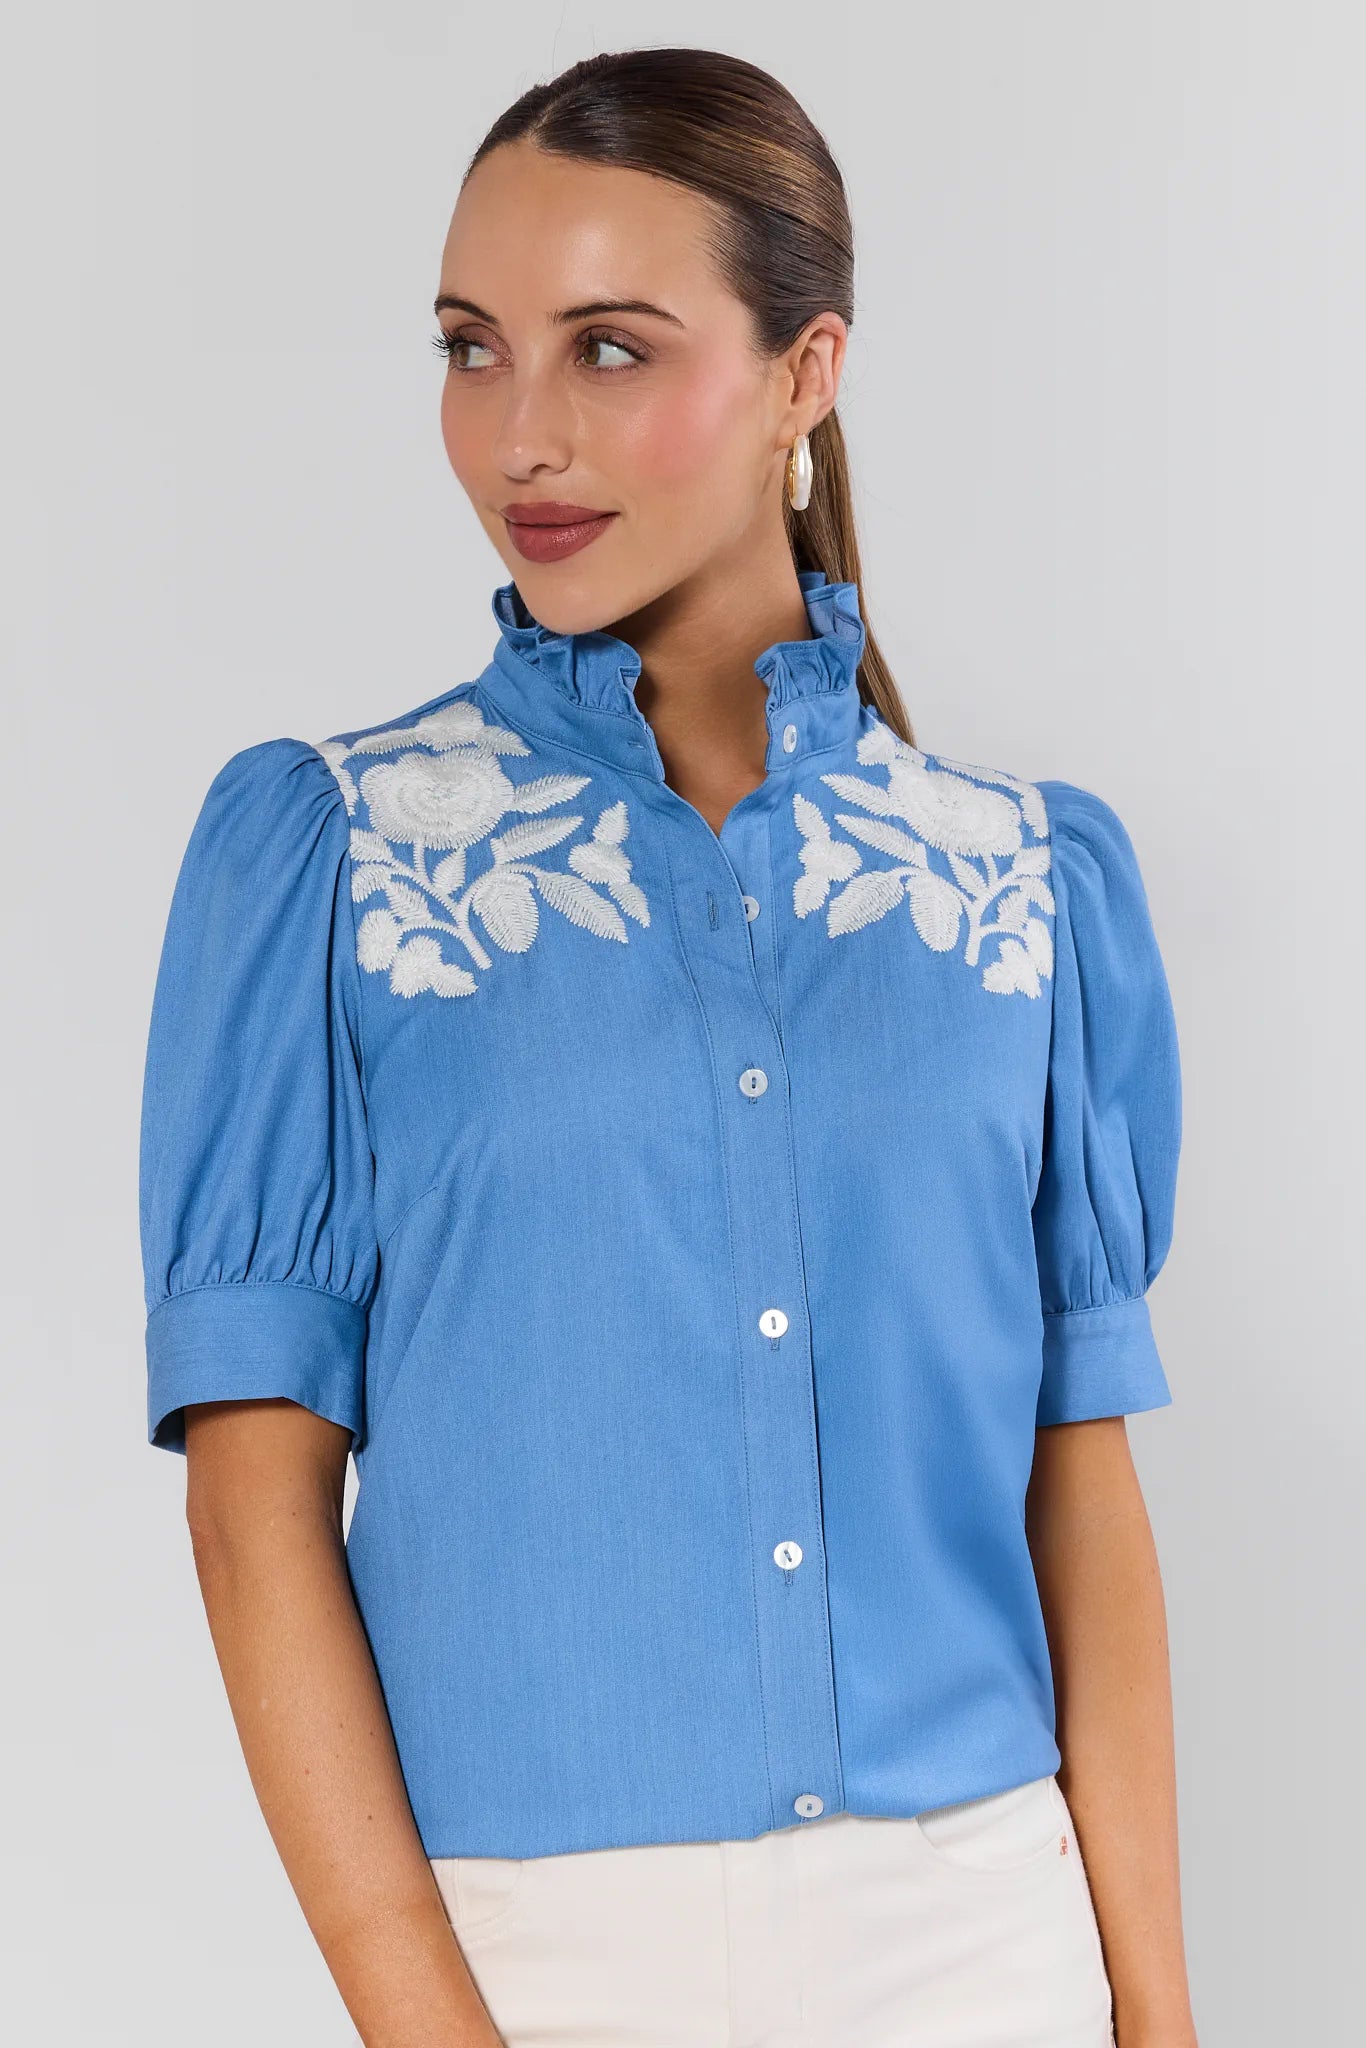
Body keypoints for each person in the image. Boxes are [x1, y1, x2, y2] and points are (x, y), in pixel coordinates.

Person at [138, 45, 1198, 2048]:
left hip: (983, 1936)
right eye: (471, 346)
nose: (518, 434)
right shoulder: (333, 860)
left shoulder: (1017, 884)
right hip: (528, 1961)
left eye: (607, 350)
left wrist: (1152, 2010)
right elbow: (249, 1504)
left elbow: (1080, 1484)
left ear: (806, 374)